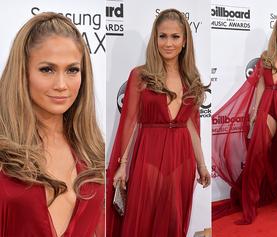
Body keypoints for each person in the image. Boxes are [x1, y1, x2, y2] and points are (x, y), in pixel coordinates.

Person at [106, 8, 210, 237]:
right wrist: (122, 165)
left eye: (175, 37)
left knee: (173, 218)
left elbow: (191, 125)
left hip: (182, 156)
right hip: (148, 154)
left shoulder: (191, 77)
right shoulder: (140, 75)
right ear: (155, 39)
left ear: (185, 41)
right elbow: (131, 123)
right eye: (162, 36)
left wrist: (201, 164)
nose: (168, 43)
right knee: (142, 216)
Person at [0, 12, 105, 236]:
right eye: (47, 69)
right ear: (23, 72)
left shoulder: (92, 149)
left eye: (72, 70)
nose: (61, 85)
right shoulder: (4, 150)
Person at [212, 13, 277, 224]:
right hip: (267, 104)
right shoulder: (266, 56)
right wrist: (254, 109)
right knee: (257, 150)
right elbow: (260, 85)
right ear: (275, 33)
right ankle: (252, 197)